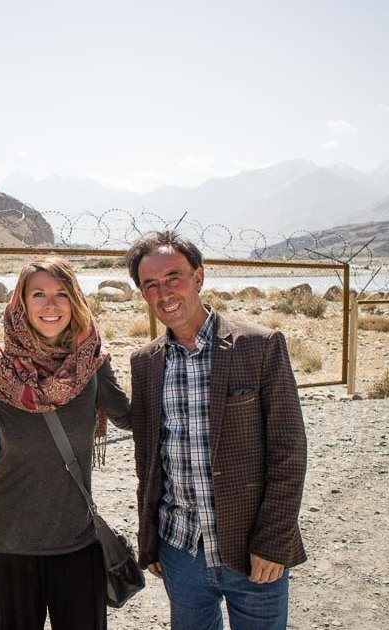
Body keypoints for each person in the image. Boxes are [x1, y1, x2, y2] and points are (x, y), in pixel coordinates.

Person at [124, 231, 307, 630]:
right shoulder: (145, 362)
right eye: (150, 285)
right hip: (180, 549)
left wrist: (273, 542)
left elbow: (289, 452)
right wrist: (150, 540)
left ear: (199, 277)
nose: (164, 293)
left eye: (173, 277)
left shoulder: (259, 346)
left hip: (251, 549)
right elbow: (148, 461)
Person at [0, 257, 131, 630]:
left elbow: (132, 419)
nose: (51, 305)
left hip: (77, 543)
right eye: (38, 294)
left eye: (62, 293)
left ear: (75, 300)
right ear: (21, 302)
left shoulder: (92, 365)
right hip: (9, 543)